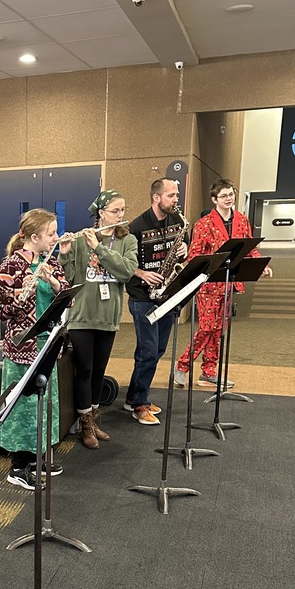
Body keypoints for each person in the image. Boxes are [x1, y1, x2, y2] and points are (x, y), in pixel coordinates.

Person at [0, 208, 69, 489]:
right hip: (22, 348)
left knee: (45, 404)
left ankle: (38, 457)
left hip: (48, 344)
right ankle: (18, 466)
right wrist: (22, 294)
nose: (56, 238)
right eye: (51, 233)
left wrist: (52, 282)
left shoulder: (51, 262)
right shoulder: (10, 266)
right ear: (34, 237)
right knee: (23, 408)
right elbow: (2, 311)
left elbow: (68, 297)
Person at [174, 179, 272, 388]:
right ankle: (182, 365)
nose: (228, 199)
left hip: (229, 283)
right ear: (214, 199)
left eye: (231, 195)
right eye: (224, 196)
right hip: (208, 285)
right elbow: (194, 254)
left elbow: (249, 248)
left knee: (218, 330)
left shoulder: (242, 220)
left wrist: (261, 264)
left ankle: (208, 372)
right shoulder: (204, 224)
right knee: (207, 327)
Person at [59, 190, 138, 448]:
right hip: (82, 316)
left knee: (99, 372)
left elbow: (126, 272)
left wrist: (99, 248)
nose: (120, 215)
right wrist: (65, 253)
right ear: (101, 213)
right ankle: (85, 424)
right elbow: (69, 279)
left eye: (122, 210)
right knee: (85, 369)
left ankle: (91, 419)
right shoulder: (81, 239)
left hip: (108, 316)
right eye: (115, 210)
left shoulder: (128, 240)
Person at [123, 177, 188, 425]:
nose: (175, 200)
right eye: (171, 195)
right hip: (143, 297)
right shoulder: (136, 227)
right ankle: (139, 404)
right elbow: (121, 261)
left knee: (157, 350)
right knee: (148, 351)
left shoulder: (178, 221)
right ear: (156, 197)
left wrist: (185, 249)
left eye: (176, 195)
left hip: (167, 294)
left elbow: (185, 244)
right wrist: (141, 273)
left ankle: (133, 397)